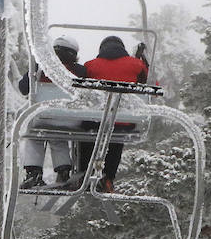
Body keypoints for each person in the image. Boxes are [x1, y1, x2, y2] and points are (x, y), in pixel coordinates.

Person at [73, 35, 150, 192]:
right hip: (123, 121)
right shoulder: (137, 64)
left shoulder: (91, 65)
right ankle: (108, 177)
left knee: (86, 137)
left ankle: (83, 174)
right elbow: (145, 81)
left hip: (95, 121)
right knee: (116, 139)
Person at [18, 35, 87, 189]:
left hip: (44, 116)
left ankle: (33, 173)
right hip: (71, 119)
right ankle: (63, 172)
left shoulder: (41, 67)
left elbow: (23, 88)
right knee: (58, 137)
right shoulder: (80, 71)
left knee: (35, 137)